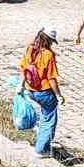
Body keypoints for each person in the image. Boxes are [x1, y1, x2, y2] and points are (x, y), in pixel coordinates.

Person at [18, 28, 60, 157]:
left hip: (31, 90)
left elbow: (23, 69)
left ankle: (41, 140)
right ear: (49, 41)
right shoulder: (48, 54)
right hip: (45, 92)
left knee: (44, 116)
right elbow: (51, 78)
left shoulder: (30, 49)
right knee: (49, 119)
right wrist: (59, 95)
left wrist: (21, 86)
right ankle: (41, 150)